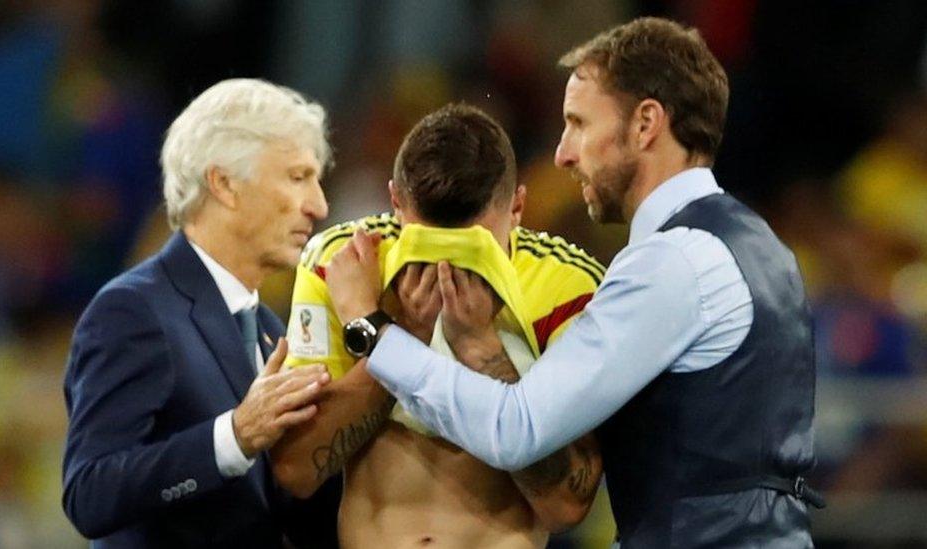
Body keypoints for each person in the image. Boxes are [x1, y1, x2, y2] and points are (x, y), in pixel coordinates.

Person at [325, 18, 824, 548]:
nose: (563, 153)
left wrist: (373, 331)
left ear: (645, 123)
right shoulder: (760, 246)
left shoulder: (673, 263)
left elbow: (515, 429)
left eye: (580, 123)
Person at [270, 103, 604, 548]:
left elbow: (566, 506)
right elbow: (296, 472)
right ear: (394, 204)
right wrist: (400, 337)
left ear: (518, 208)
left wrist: (484, 353)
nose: (446, 269)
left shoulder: (566, 287)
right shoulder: (344, 264)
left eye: (471, 250)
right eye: (427, 244)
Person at [62, 78, 338, 548]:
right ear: (224, 184)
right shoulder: (134, 310)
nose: (319, 205)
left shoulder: (273, 330)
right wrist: (234, 436)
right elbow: (90, 493)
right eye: (297, 177)